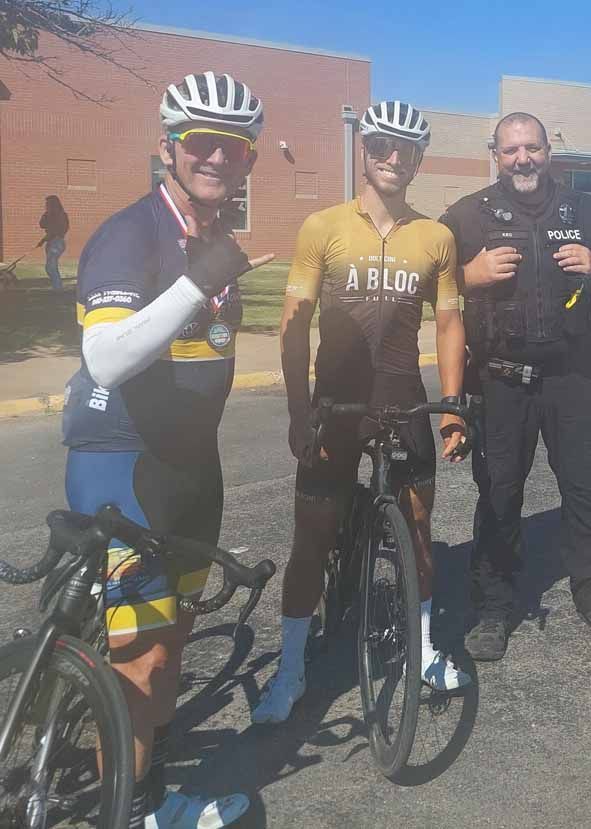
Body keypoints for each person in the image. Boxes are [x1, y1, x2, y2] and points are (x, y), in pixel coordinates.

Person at [61, 71, 270, 829]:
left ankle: (148, 789)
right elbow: (106, 359)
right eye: (200, 142)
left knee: (172, 637)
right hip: (125, 460)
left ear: (248, 160)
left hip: (191, 466)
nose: (216, 157)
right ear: (168, 147)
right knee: (140, 658)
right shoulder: (132, 233)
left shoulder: (213, 237)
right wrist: (194, 283)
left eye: (234, 147)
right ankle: (128, 812)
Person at [252, 101, 471, 724]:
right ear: (364, 150)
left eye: (406, 149)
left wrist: (452, 408)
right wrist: (299, 410)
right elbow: (294, 326)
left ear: (419, 160)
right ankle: (291, 668)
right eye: (380, 145)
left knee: (418, 528)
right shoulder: (322, 226)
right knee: (312, 538)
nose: (393, 158)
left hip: (402, 396)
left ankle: (424, 648)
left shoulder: (436, 237)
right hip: (335, 401)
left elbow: (449, 324)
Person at [439, 112, 591, 660]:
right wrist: (470, 275)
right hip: (499, 380)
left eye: (531, 148)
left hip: (570, 378)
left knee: (584, 487)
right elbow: (428, 279)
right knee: (498, 494)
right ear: (495, 156)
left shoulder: (582, 209)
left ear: (548, 152)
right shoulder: (468, 215)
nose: (522, 159)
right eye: (510, 151)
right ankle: (494, 607)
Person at [38, 194, 69, 290]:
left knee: (51, 266)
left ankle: (58, 288)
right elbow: (42, 224)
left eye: (48, 203)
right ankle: (56, 287)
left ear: (54, 204)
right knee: (49, 267)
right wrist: (46, 214)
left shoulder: (61, 215)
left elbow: (60, 230)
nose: (46, 205)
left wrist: (45, 239)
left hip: (57, 243)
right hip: (50, 242)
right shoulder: (48, 215)